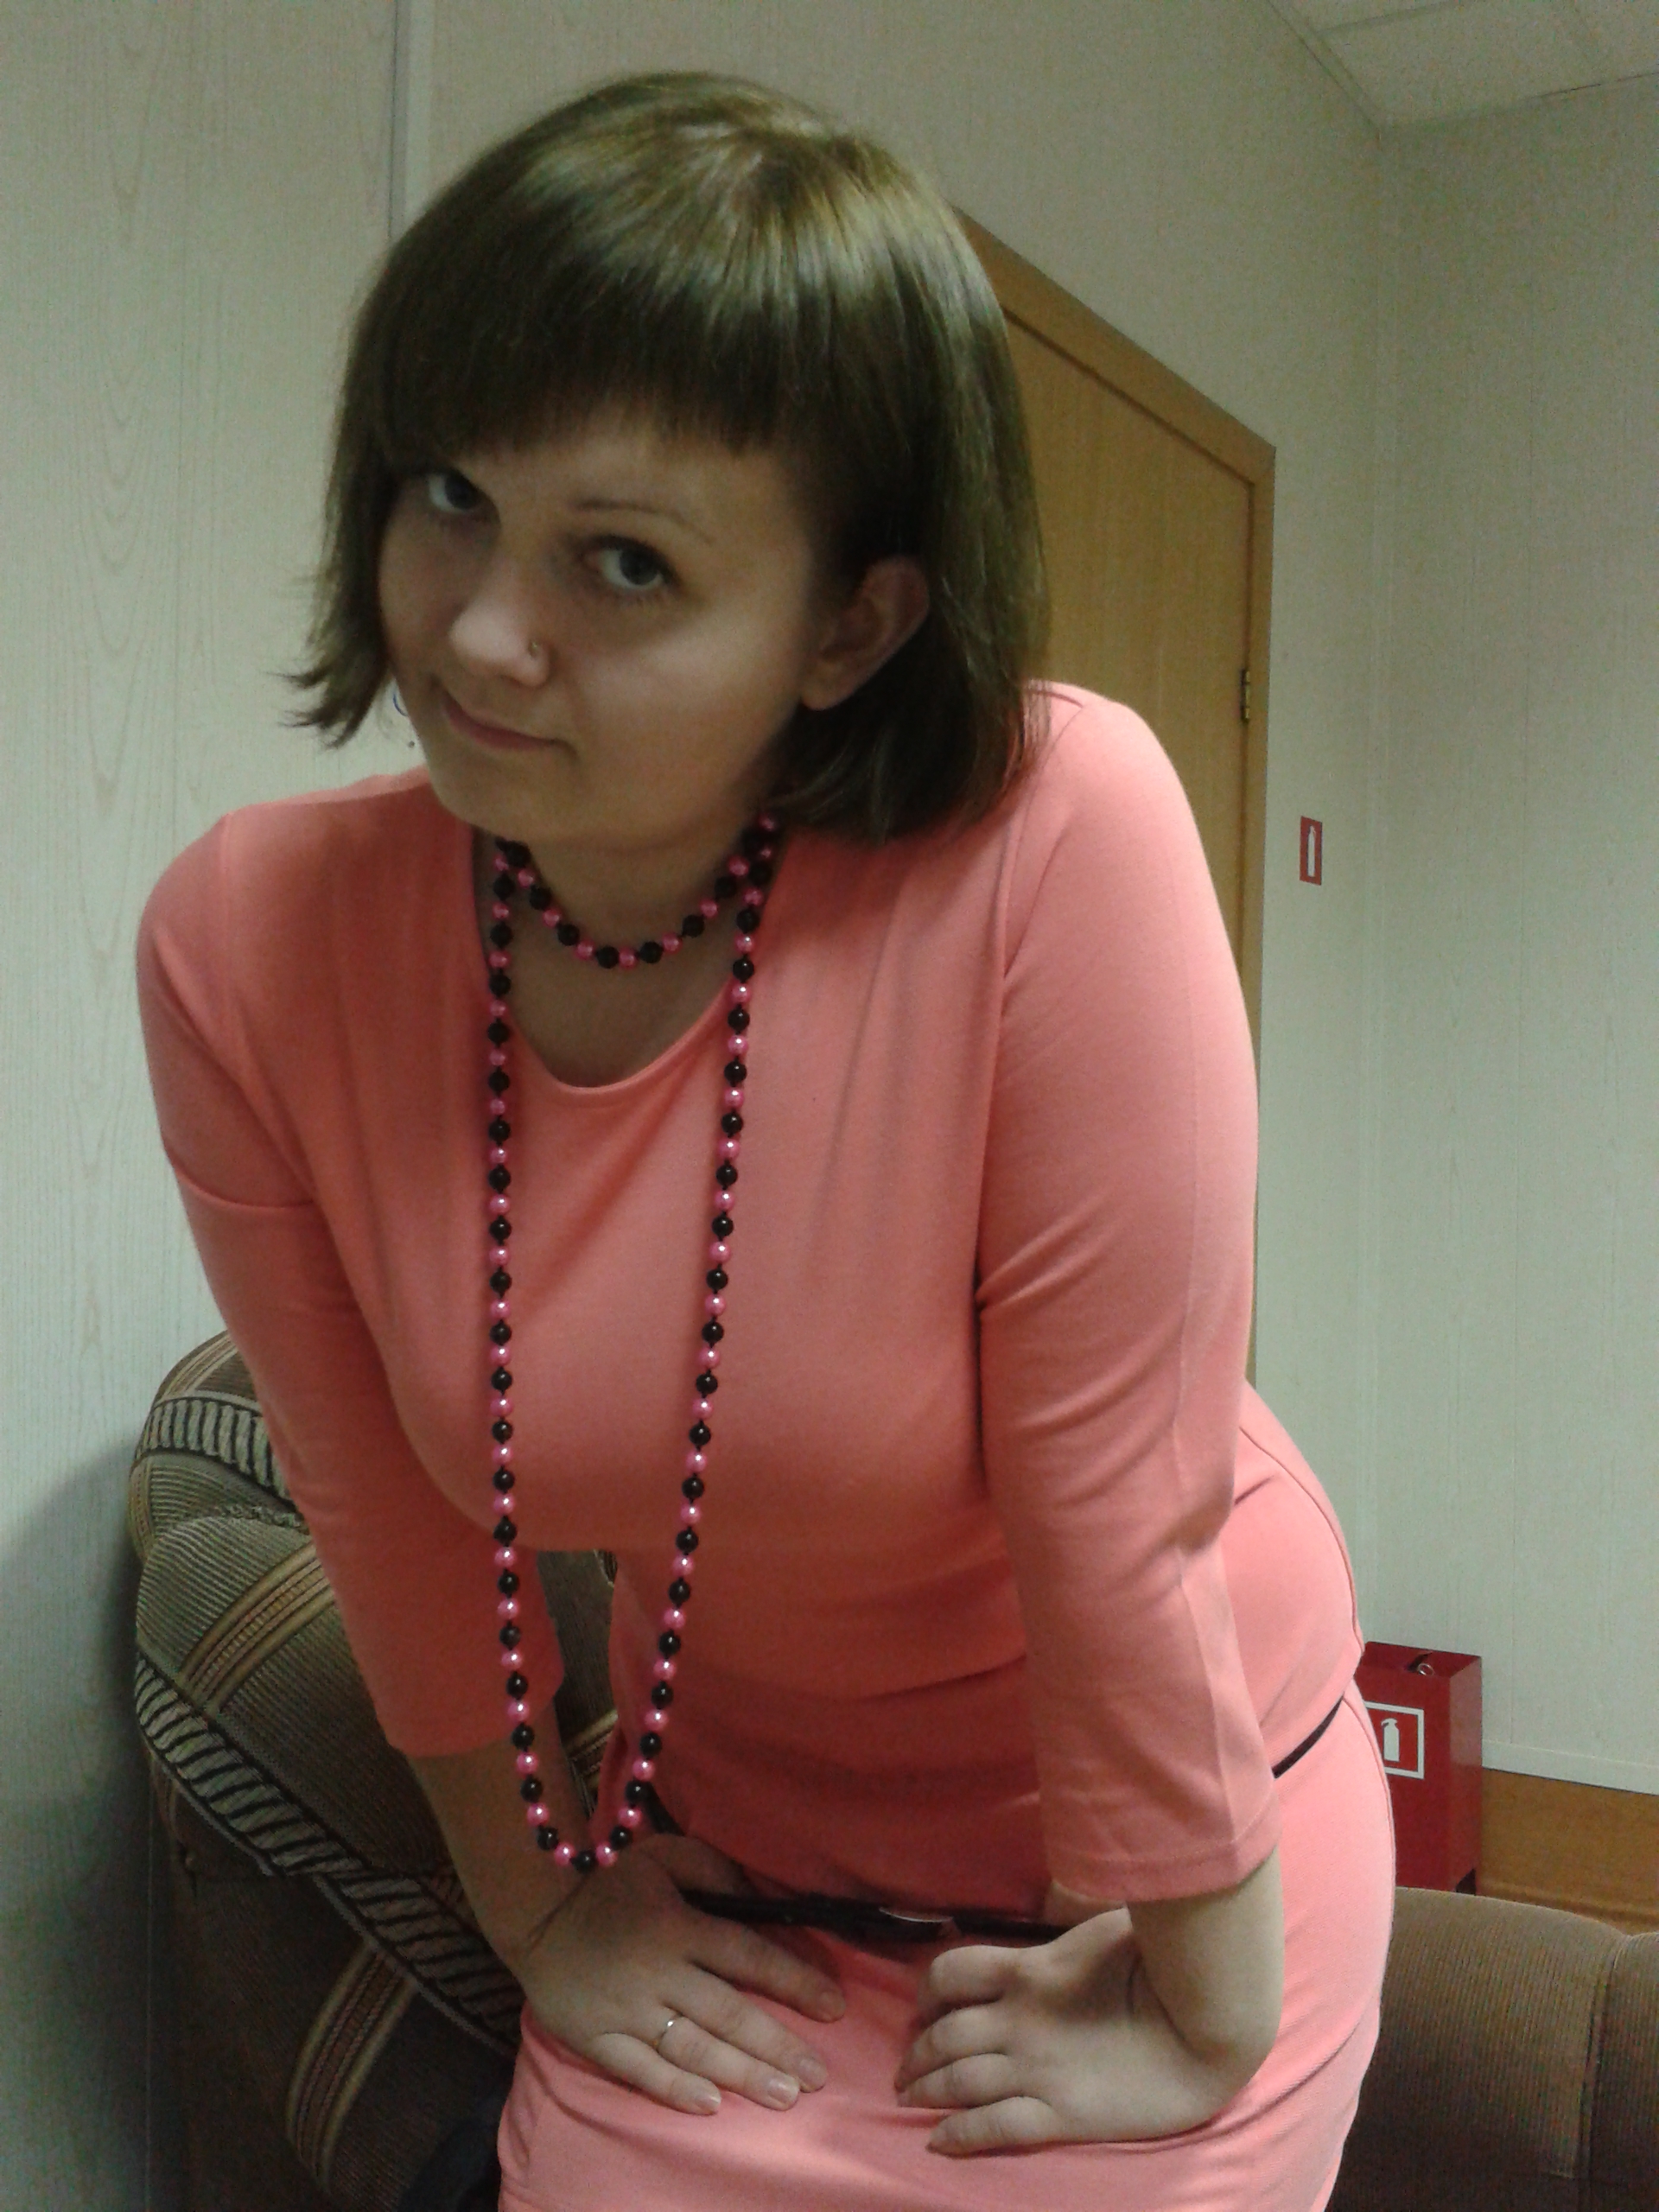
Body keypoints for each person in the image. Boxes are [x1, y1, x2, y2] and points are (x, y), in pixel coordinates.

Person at [137, 70, 1395, 2212]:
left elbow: (1122, 1498)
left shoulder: (1054, 833)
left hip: (1169, 1856)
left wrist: (1203, 1993)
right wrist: (544, 1910)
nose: (480, 627)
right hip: (749, 1862)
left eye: (623, 560)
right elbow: (390, 1515)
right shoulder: (245, 946)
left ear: (850, 622)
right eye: (451, 494)